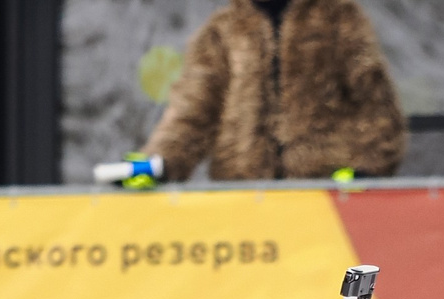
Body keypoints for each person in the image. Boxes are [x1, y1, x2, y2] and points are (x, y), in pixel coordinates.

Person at [136, 0, 406, 184]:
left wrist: (366, 172)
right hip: (244, 200)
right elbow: (192, 114)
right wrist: (157, 164)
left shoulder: (338, 18)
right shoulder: (224, 30)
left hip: (324, 198)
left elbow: (376, 104)